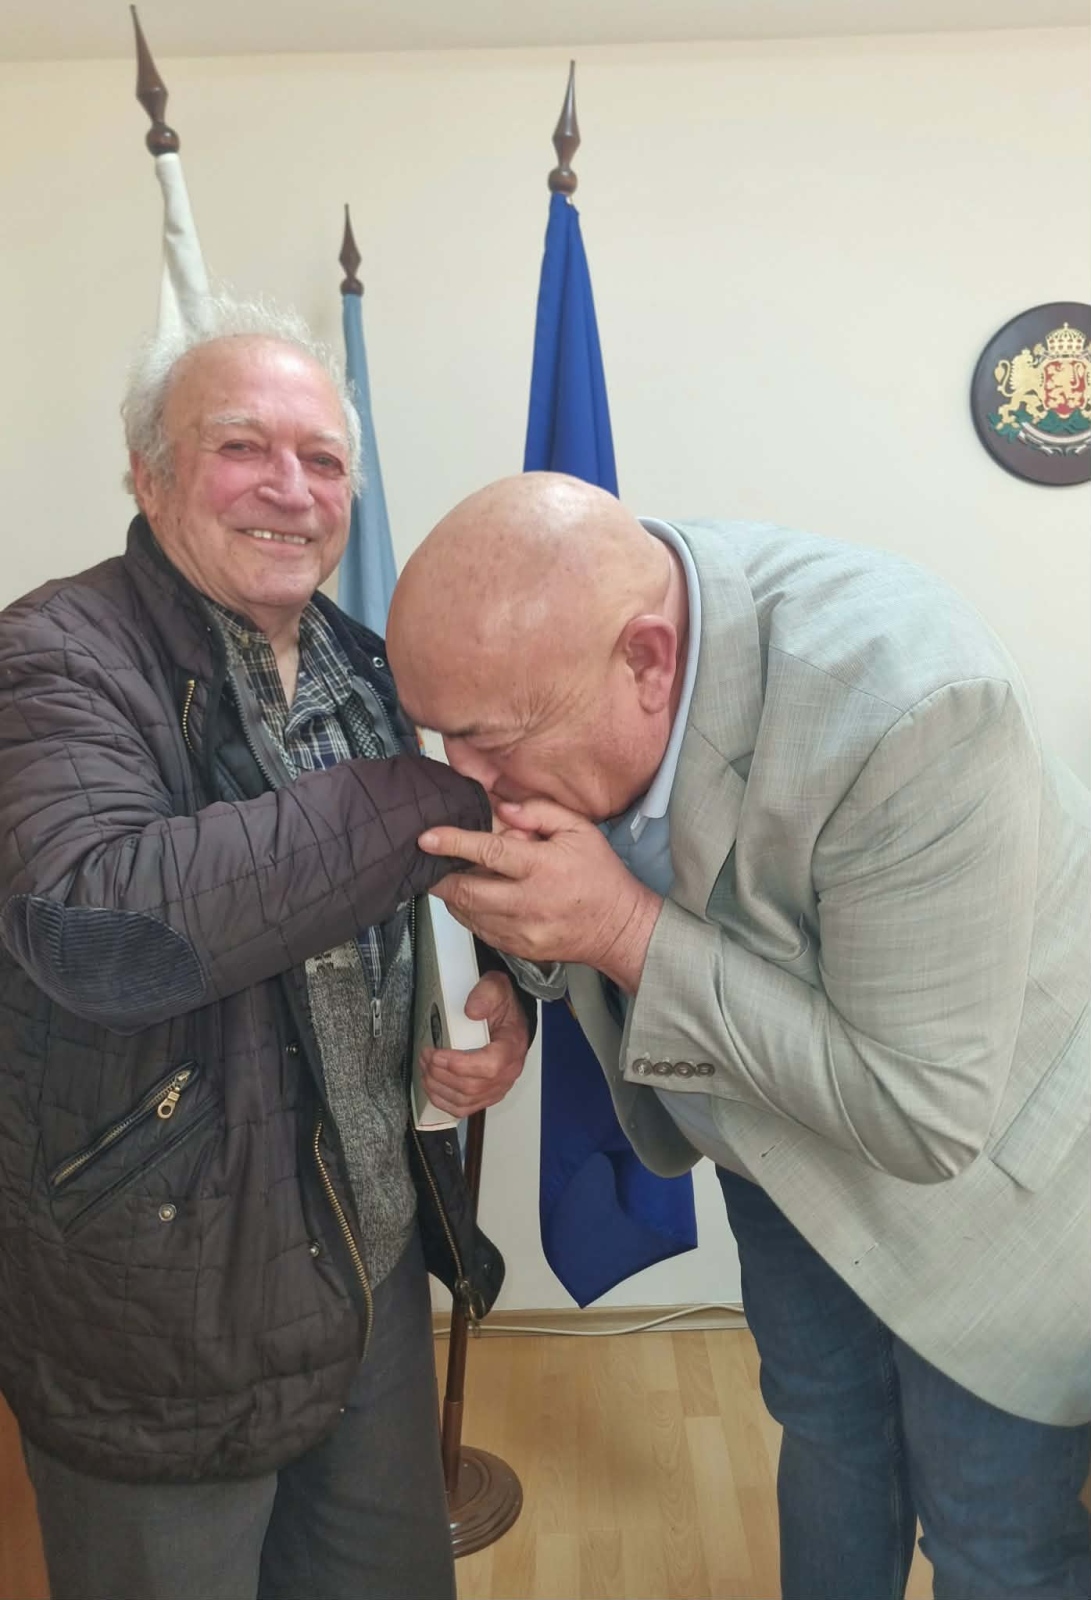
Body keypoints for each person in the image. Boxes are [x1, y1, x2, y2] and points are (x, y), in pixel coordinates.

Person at [386, 470, 1091, 1600]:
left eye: (485, 742)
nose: (462, 785)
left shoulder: (912, 701)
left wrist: (618, 930)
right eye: (441, 738)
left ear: (647, 661)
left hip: (985, 1184)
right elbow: (594, 870)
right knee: (827, 1437)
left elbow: (919, 1110)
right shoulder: (598, 642)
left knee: (987, 1536)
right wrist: (521, 971)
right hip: (766, 1140)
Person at [0, 301, 533, 1600]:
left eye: (324, 458)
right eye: (243, 446)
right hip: (161, 1308)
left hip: (365, 1250)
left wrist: (497, 991)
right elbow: (104, 925)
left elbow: (451, 873)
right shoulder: (50, 658)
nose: (291, 489)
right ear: (150, 474)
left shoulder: (372, 665)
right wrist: (419, 800)